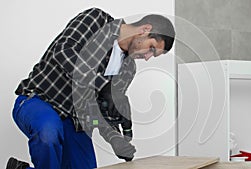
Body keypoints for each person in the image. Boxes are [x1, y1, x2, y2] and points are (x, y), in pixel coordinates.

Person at [6, 7, 175, 169]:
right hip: (38, 101)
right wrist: (102, 85)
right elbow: (63, 52)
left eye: (153, 56)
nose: (147, 57)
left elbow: (97, 112)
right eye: (151, 48)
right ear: (145, 29)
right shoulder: (97, 20)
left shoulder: (128, 69)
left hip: (75, 123)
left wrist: (114, 138)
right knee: (49, 133)